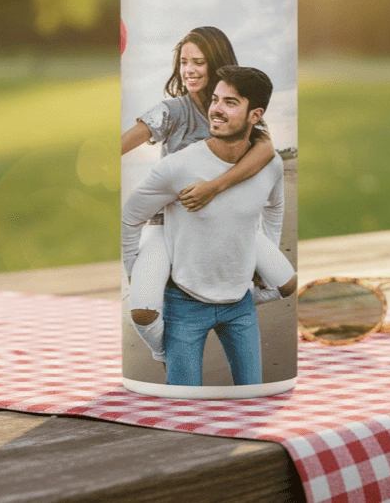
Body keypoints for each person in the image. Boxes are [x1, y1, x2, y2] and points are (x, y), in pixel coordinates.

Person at [121, 27, 296, 363]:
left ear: (216, 65)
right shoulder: (171, 111)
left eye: (198, 62)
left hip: (229, 222)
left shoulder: (243, 113)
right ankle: (165, 350)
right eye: (183, 61)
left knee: (285, 285)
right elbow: (126, 141)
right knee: (142, 310)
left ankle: (226, 300)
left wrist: (215, 188)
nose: (188, 69)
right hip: (170, 224)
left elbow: (266, 153)